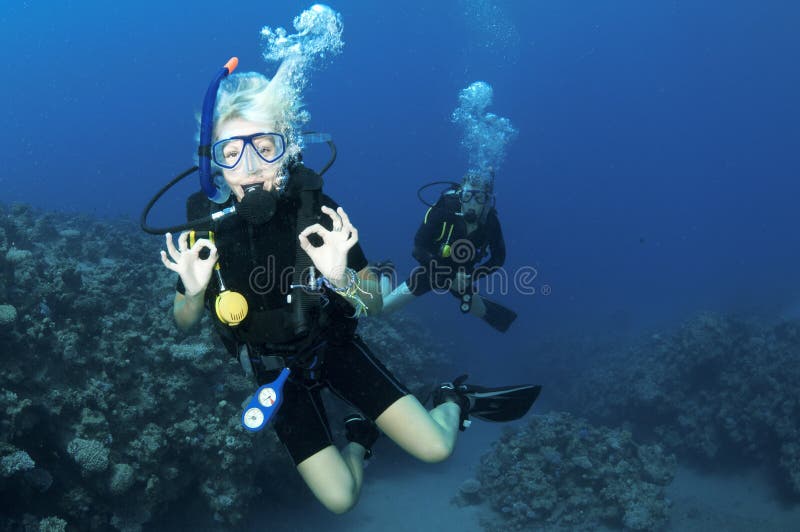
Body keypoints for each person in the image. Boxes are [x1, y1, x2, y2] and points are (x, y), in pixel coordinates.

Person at [158, 62, 540, 514]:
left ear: (288, 150)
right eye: (231, 152)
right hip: (272, 373)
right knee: (340, 499)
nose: (250, 166)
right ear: (213, 163)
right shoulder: (204, 227)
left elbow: (375, 304)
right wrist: (194, 291)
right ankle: (360, 438)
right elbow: (183, 324)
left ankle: (454, 398)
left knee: (437, 448)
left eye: (265, 147)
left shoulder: (318, 211)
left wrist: (341, 277)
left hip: (333, 347)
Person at [380, 171, 518, 332]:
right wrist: (449, 276)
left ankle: (476, 302)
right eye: (467, 196)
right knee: (384, 309)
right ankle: (385, 271)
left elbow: (498, 258)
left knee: (481, 312)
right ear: (460, 195)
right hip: (432, 270)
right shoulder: (445, 209)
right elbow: (418, 248)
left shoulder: (490, 222)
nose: (472, 204)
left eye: (479, 197)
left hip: (462, 277)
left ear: (487, 200)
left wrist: (471, 277)